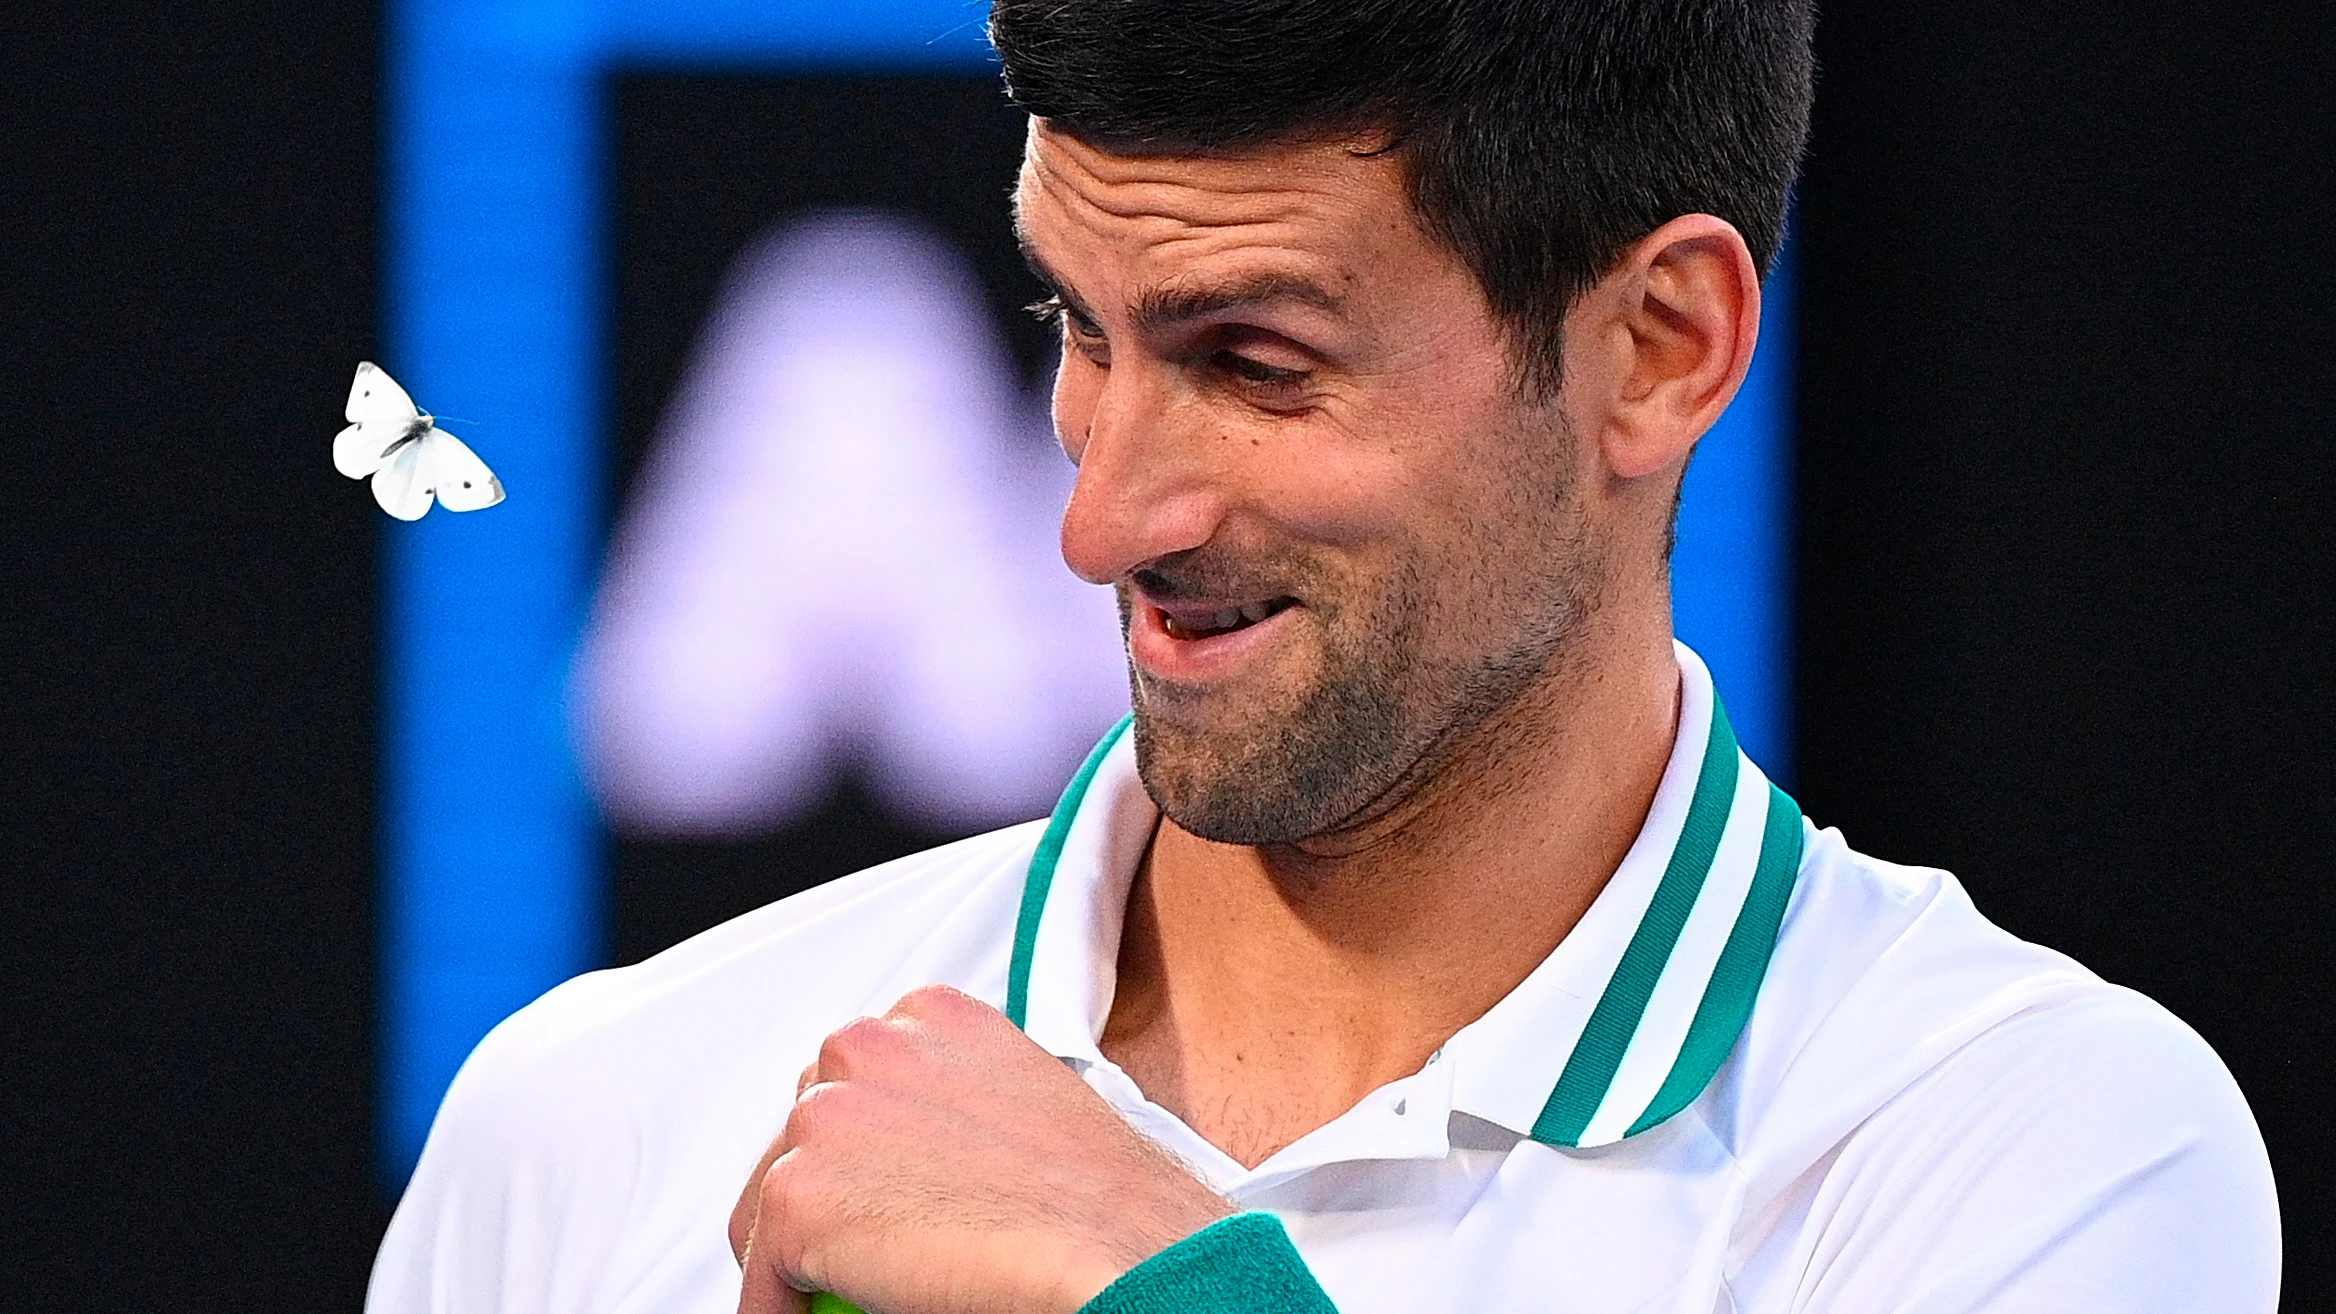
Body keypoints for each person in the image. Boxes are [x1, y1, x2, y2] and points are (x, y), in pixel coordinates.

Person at [366, 1, 2282, 1310]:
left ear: (1661, 347)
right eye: (1080, 326)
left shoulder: (2030, 1150)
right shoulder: (592, 1121)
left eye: (1254, 363)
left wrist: (1168, 1280)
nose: (1103, 520)